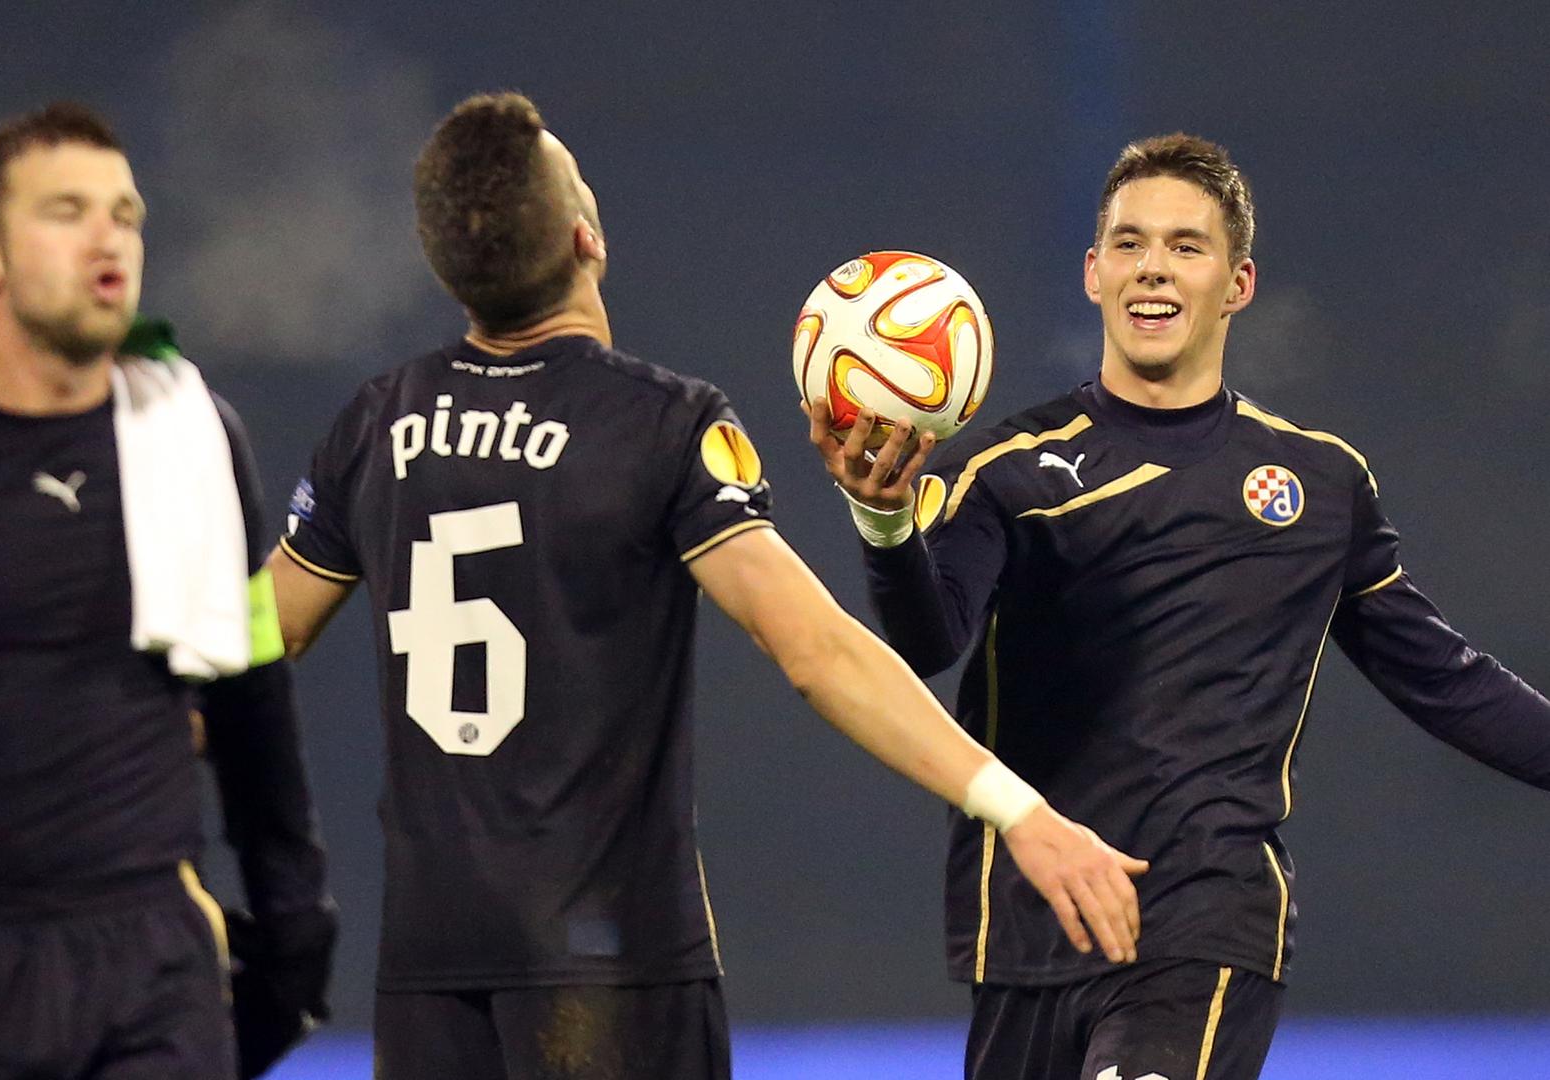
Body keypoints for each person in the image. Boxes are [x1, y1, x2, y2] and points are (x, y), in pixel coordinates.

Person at [265, 90, 1146, 1080]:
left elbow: (255, 637)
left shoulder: (377, 424)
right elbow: (812, 652)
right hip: (606, 967)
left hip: (427, 968)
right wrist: (1017, 809)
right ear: (586, 237)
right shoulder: (654, 425)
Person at [812, 132, 1550, 1080]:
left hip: (1206, 920)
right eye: (1128, 243)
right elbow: (927, 641)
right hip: (1030, 924)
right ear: (1093, 273)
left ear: (1237, 285)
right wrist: (881, 521)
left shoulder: (1319, 485)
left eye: (1184, 246)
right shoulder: (1004, 471)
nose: (1151, 266)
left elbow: (1445, 680)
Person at [0, 103, 334, 1079]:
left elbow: (249, 693)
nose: (107, 236)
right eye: (66, 211)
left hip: (148, 965)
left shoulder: (195, 436)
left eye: (125, 214)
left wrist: (294, 921)